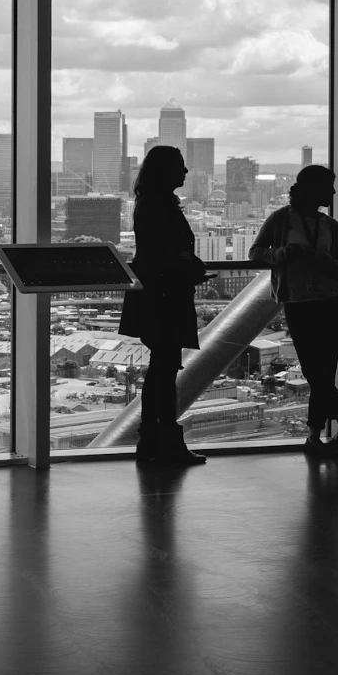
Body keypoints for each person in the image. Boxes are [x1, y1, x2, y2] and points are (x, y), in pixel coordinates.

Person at [249, 165, 338, 454]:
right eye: (329, 187)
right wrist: (283, 254)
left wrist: (315, 257)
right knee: (316, 372)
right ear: (313, 189)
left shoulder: (330, 225)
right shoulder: (281, 220)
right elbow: (256, 253)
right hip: (303, 302)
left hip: (329, 302)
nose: (334, 193)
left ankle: (315, 435)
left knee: (320, 372)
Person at [119, 146, 209, 465]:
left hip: (156, 294)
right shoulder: (160, 205)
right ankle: (165, 441)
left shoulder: (150, 203)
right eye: (181, 167)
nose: (185, 173)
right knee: (164, 370)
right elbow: (165, 253)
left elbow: (156, 252)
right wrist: (189, 267)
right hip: (166, 296)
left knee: (161, 370)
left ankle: (154, 440)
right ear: (166, 171)